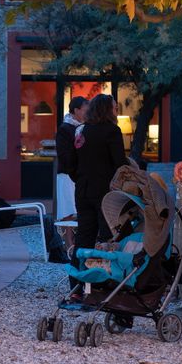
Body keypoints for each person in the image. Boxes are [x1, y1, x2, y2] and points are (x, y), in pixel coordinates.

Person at [66, 93, 127, 295]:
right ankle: (103, 284)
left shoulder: (81, 131)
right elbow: (119, 163)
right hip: (105, 193)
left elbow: (71, 164)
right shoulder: (112, 131)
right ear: (107, 110)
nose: (117, 111)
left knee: (83, 236)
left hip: (83, 190)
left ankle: (76, 285)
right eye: (115, 108)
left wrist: (82, 179)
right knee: (107, 238)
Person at [0, 171, 70, 263]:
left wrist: (33, 212)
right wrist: (33, 212)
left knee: (47, 219)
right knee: (47, 219)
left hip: (12, 218)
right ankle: (57, 252)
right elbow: (12, 211)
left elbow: (10, 209)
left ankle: (56, 252)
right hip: (9, 222)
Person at [55, 96, 89, 221]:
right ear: (76, 110)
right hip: (67, 174)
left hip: (79, 174)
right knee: (67, 210)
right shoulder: (65, 128)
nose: (87, 113)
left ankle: (74, 239)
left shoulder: (84, 127)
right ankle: (68, 240)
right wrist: (74, 170)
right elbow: (63, 154)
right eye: (85, 110)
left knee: (78, 208)